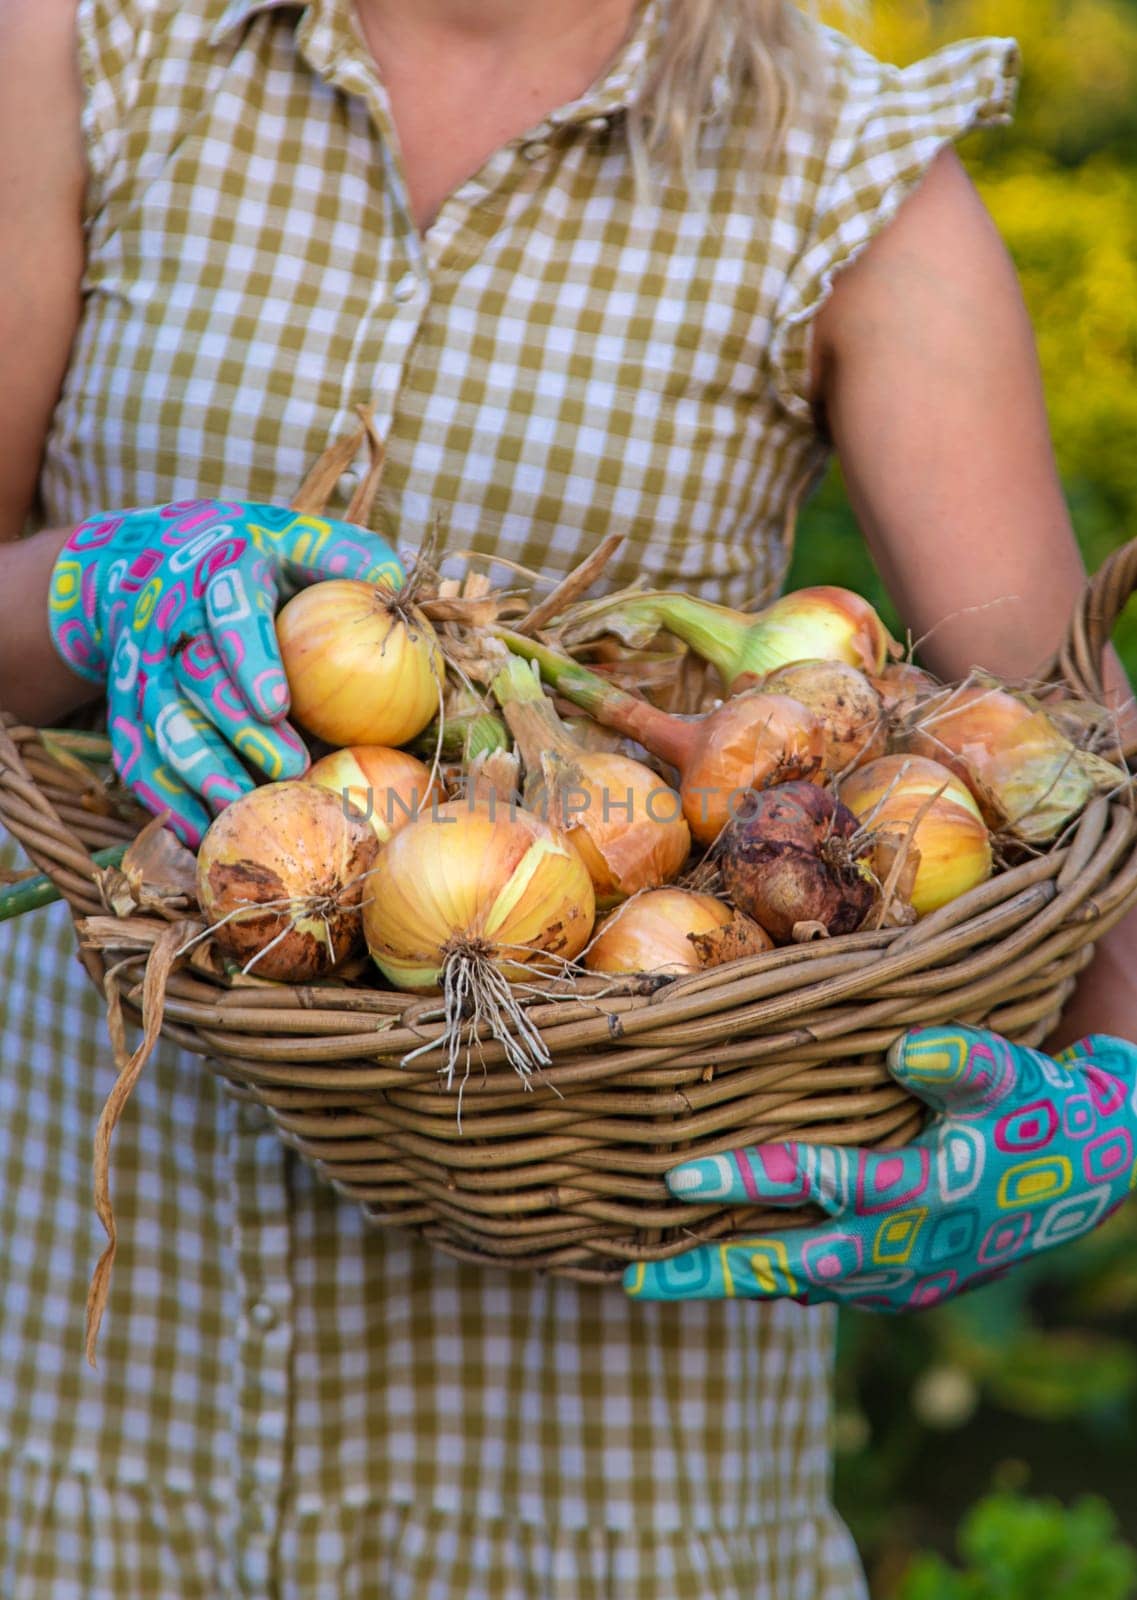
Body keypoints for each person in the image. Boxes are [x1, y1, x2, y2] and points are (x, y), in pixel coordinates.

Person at [1, 0, 1135, 1594]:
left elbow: (1059, 777)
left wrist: (1103, 1102)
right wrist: (80, 584)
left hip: (602, 1479)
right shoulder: (87, 49)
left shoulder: (847, 165)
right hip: (81, 1376)